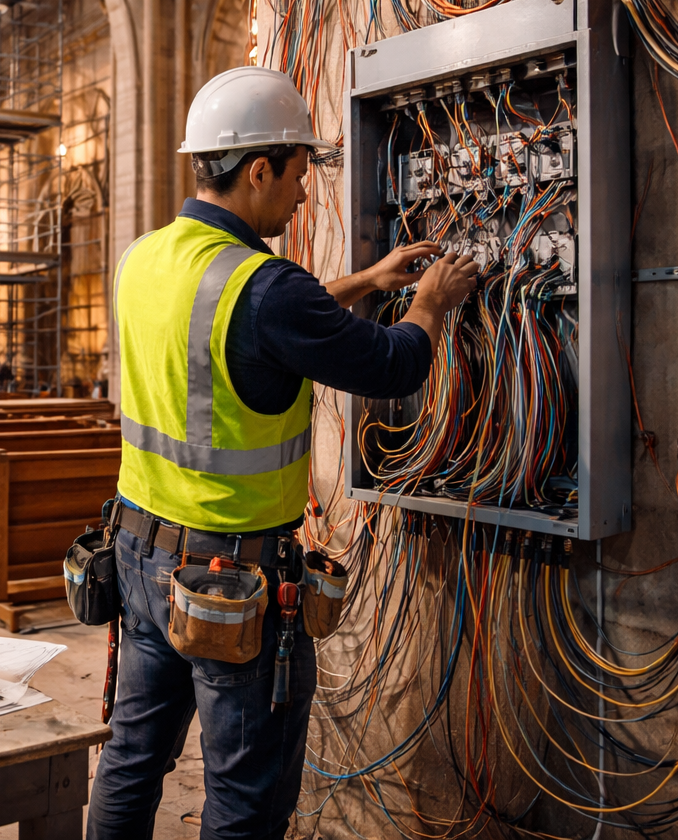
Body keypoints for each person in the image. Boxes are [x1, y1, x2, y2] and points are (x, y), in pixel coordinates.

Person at [89, 66, 479, 840]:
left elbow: (249, 330)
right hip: (228, 580)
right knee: (246, 796)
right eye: (300, 173)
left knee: (131, 761)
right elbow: (395, 362)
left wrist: (366, 279)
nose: (305, 194)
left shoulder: (145, 259)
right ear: (259, 169)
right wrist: (431, 302)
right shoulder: (267, 286)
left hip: (136, 552)